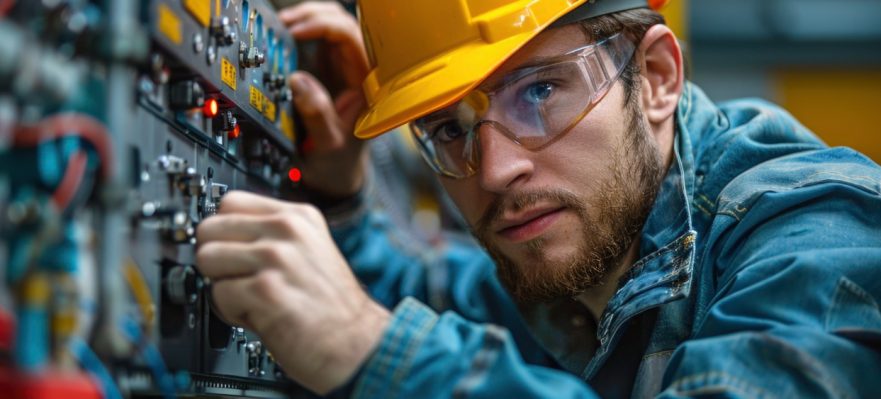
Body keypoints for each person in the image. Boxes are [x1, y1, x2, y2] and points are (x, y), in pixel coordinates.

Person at [194, 0, 881, 397]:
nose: (495, 171)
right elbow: (417, 295)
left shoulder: (818, 234)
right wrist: (339, 194)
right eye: (448, 128)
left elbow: (375, 332)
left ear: (654, 77)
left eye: (540, 91)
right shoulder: (577, 259)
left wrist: (374, 351)